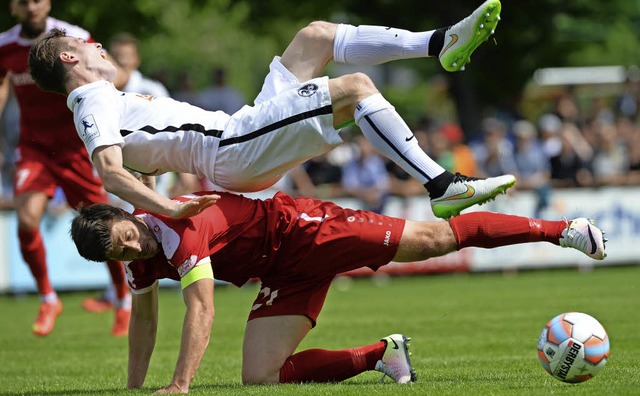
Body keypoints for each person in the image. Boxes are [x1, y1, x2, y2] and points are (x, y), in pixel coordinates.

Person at [70, 190, 606, 393]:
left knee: (434, 239)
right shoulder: (136, 258)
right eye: (121, 255)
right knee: (260, 376)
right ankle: (383, 355)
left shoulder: (176, 226)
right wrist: (136, 390)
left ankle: (564, 230)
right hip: (282, 273)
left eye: (128, 238)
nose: (133, 252)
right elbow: (144, 318)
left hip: (306, 228)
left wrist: (180, 385)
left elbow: (201, 306)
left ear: (126, 216)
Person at [28, 0, 515, 221]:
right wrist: (169, 213)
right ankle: (441, 186)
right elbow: (110, 173)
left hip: (238, 135)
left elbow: (141, 160)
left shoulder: (103, 102)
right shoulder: (90, 99)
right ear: (70, 59)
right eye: (84, 43)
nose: (95, 46)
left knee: (315, 36)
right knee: (355, 86)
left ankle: (442, 43)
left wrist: (156, 201)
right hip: (233, 148)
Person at [0, 0, 130, 336]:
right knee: (26, 221)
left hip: (76, 147)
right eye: (23, 1)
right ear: (13, 7)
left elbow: (111, 71)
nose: (31, 6)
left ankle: (122, 296)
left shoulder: (73, 37)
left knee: (101, 222)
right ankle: (48, 297)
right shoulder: (5, 46)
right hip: (33, 149)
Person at [81, 32, 174, 315]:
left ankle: (167, 273)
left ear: (136, 58)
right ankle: (123, 292)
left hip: (153, 168)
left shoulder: (150, 87)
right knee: (121, 232)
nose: (121, 63)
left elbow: (172, 125)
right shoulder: (101, 92)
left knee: (149, 225)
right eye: (116, 58)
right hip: (117, 172)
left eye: (126, 57)